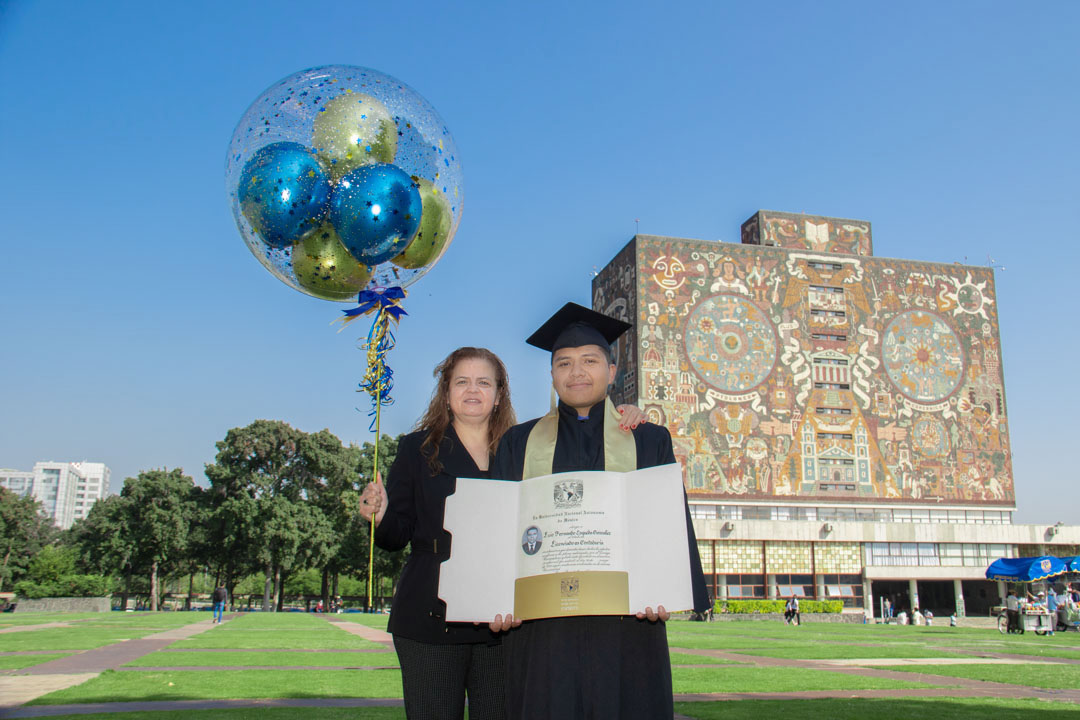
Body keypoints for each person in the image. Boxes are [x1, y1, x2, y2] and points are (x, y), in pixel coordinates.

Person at [359, 346, 645, 720]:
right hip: (429, 615)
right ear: (446, 392)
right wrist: (379, 515)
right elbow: (397, 536)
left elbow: (577, 465)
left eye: (484, 382)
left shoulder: (525, 446)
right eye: (461, 382)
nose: (472, 390)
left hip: (503, 619)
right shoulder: (417, 448)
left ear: (498, 395)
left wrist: (623, 415)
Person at [489, 303, 711, 720]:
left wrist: (667, 591)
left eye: (590, 361)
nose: (576, 372)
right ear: (551, 375)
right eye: (564, 363)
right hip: (542, 630)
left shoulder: (647, 440)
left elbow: (668, 524)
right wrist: (495, 599)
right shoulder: (518, 443)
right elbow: (500, 530)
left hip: (627, 626)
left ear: (611, 371)